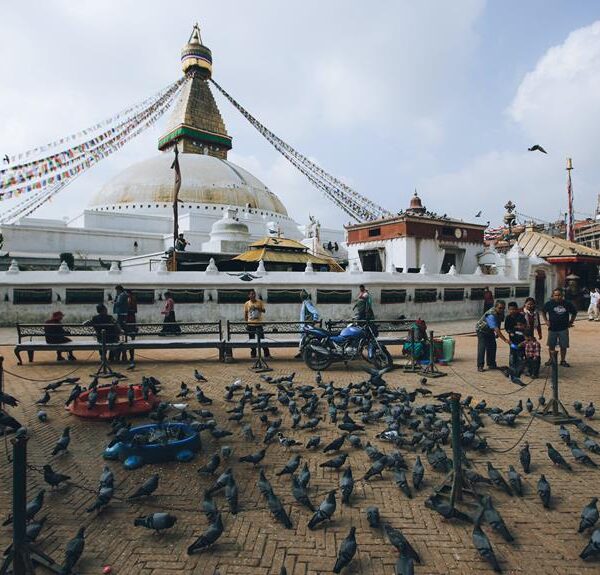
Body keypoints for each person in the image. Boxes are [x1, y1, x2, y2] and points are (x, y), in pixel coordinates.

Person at [542, 288, 577, 367]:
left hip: (563, 328)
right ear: (553, 296)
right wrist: (546, 321)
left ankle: (563, 360)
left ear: (562, 295)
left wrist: (571, 321)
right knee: (551, 345)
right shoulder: (549, 304)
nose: (558, 297)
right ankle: (551, 359)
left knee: (563, 345)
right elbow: (543, 311)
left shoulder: (567, 304)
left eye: (559, 295)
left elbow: (574, 312)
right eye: (556, 295)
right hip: (552, 328)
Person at [475, 299, 509, 372]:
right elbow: (496, 329)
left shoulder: (501, 313)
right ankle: (480, 366)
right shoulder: (491, 315)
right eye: (500, 308)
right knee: (482, 347)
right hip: (482, 330)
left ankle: (491, 364)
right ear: (495, 307)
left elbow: (498, 323)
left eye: (503, 308)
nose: (502, 310)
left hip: (490, 331)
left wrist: (497, 334)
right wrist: (505, 340)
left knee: (492, 346)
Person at [244, 289, 270, 358]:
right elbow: (246, 314)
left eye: (254, 294)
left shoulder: (259, 302)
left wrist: (257, 308)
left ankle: (266, 353)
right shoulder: (247, 303)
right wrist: (246, 323)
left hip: (259, 324)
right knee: (251, 340)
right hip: (250, 324)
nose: (253, 295)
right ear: (249, 295)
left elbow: (264, 311)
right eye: (251, 294)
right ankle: (253, 353)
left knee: (262, 339)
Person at [296, 290, 320, 359]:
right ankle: (302, 352)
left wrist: (315, 319)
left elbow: (315, 312)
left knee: (307, 339)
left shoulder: (307, 303)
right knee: (304, 339)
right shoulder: (305, 302)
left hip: (307, 325)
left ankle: (307, 353)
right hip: (304, 324)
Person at [507, 318, 526, 384]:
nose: (519, 327)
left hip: (521, 348)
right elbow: (510, 337)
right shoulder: (513, 330)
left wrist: (522, 343)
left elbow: (528, 339)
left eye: (521, 325)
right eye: (518, 325)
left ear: (524, 325)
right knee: (512, 360)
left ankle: (518, 372)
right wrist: (511, 342)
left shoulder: (525, 331)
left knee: (520, 360)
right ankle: (511, 372)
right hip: (513, 347)